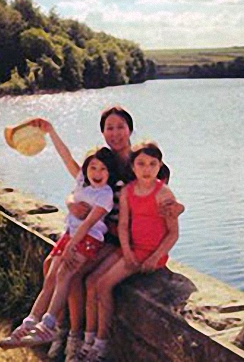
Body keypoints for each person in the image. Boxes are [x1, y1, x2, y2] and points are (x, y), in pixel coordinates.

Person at [33, 106, 184, 361]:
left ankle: (77, 338)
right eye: (109, 128)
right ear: (103, 132)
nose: (115, 133)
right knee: (51, 265)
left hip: (117, 240)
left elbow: (160, 206)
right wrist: (70, 201)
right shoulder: (104, 162)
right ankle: (61, 330)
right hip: (97, 232)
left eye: (120, 127)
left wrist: (178, 208)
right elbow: (79, 180)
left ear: (130, 129)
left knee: (75, 272)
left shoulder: (145, 163)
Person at [0, 133, 119, 350]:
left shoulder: (105, 194)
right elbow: (65, 156)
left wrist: (72, 246)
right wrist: (50, 131)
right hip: (69, 236)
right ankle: (28, 324)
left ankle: (49, 324)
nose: (97, 173)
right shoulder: (82, 183)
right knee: (51, 277)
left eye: (103, 169)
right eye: (93, 167)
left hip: (88, 238)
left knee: (65, 273)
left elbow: (89, 222)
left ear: (109, 173)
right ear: (86, 169)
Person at [78, 141, 180, 362]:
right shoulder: (127, 191)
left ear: (159, 166)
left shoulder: (163, 193)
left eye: (152, 164)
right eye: (141, 164)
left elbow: (173, 233)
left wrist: (154, 257)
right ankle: (88, 338)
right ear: (133, 167)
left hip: (150, 253)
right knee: (91, 282)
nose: (147, 169)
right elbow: (123, 225)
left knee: (104, 284)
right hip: (131, 249)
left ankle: (102, 344)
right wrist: (126, 250)